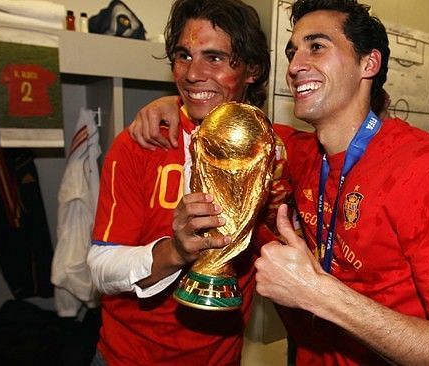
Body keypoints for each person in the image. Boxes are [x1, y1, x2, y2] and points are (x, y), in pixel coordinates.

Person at [129, 1, 429, 364]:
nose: (296, 65)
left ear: (369, 63)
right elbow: (232, 125)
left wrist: (321, 295)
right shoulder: (299, 153)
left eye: (316, 47)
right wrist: (175, 106)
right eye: (293, 52)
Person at [86, 0, 289, 364]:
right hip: (126, 357)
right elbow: (100, 268)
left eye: (214, 58)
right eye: (183, 55)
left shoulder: (275, 150)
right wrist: (175, 252)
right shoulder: (141, 143)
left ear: (252, 70)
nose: (193, 74)